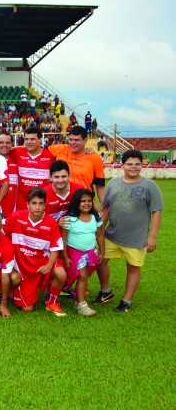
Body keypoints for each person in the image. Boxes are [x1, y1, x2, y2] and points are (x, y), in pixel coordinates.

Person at [95, 149, 163, 312]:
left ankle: (126, 301)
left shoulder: (149, 186)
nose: (133, 167)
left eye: (137, 164)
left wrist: (152, 236)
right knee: (99, 261)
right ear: (122, 165)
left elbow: (157, 211)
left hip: (135, 238)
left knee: (133, 267)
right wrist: (101, 231)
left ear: (142, 165)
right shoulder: (113, 183)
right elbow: (106, 209)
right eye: (129, 164)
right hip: (112, 234)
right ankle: (106, 292)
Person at [1, 188, 66, 317]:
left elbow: (56, 249)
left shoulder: (51, 223)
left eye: (40, 203)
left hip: (42, 263)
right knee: (27, 309)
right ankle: (15, 291)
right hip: (22, 268)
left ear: (44, 205)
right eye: (34, 203)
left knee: (61, 273)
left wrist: (48, 266)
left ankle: (51, 301)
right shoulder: (16, 217)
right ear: (27, 204)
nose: (37, 207)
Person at [61, 189, 103, 317]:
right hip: (74, 252)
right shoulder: (70, 219)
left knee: (83, 277)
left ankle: (79, 301)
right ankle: (82, 305)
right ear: (76, 202)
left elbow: (100, 236)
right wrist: (65, 256)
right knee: (82, 276)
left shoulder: (95, 218)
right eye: (83, 201)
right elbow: (63, 239)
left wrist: (101, 252)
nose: (86, 203)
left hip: (90, 252)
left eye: (89, 201)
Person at [47, 126, 106, 202]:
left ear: (85, 140)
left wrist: (104, 208)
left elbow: (100, 185)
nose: (72, 143)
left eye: (76, 140)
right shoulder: (60, 149)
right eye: (70, 139)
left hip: (84, 202)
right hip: (60, 202)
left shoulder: (95, 158)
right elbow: (38, 151)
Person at [9, 127, 53, 212]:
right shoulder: (17, 152)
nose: (29, 142)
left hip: (41, 206)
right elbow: (0, 149)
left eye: (32, 139)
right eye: (26, 139)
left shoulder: (50, 155)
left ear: (40, 139)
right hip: (21, 205)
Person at [0, 132, 18, 218]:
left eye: (8, 143)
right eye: (1, 142)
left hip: (11, 214)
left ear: (12, 144)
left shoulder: (17, 161)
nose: (4, 145)